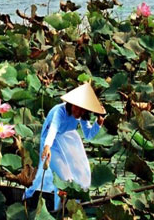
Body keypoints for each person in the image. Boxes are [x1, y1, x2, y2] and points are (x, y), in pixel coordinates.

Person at [23, 83, 106, 211]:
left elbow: (88, 135)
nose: (78, 112)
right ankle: (59, 209)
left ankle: (74, 203)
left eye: (82, 109)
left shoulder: (82, 115)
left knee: (81, 173)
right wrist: (47, 146)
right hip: (52, 141)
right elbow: (54, 128)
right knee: (64, 176)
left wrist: (98, 123)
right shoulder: (60, 111)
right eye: (77, 108)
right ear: (71, 104)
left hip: (68, 139)